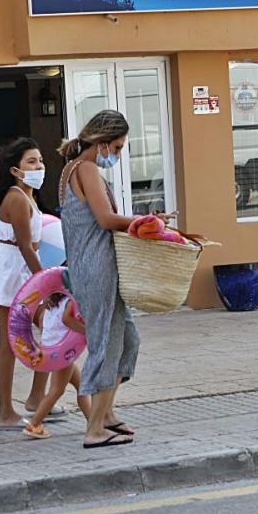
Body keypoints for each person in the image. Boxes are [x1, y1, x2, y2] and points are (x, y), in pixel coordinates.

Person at [58, 110, 172, 449]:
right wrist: (144, 221)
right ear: (102, 143)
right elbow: (106, 219)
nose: (118, 155)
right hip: (95, 267)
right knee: (106, 342)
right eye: (118, 148)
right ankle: (94, 427)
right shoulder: (87, 168)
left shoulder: (71, 169)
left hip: (94, 266)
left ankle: (106, 414)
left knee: (128, 340)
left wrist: (145, 221)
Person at [0, 138, 57, 430]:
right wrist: (47, 285)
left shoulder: (29, 197)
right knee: (9, 342)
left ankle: (38, 398)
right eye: (31, 162)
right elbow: (26, 247)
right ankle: (5, 411)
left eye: (40, 160)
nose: (39, 166)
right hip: (12, 272)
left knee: (52, 329)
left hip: (23, 270)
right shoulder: (16, 198)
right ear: (15, 169)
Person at [23, 295, 91, 440]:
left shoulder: (50, 303)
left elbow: (42, 324)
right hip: (62, 354)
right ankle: (34, 424)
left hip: (50, 351)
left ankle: (93, 423)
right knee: (56, 390)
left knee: (82, 386)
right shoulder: (70, 301)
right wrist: (87, 331)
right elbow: (67, 319)